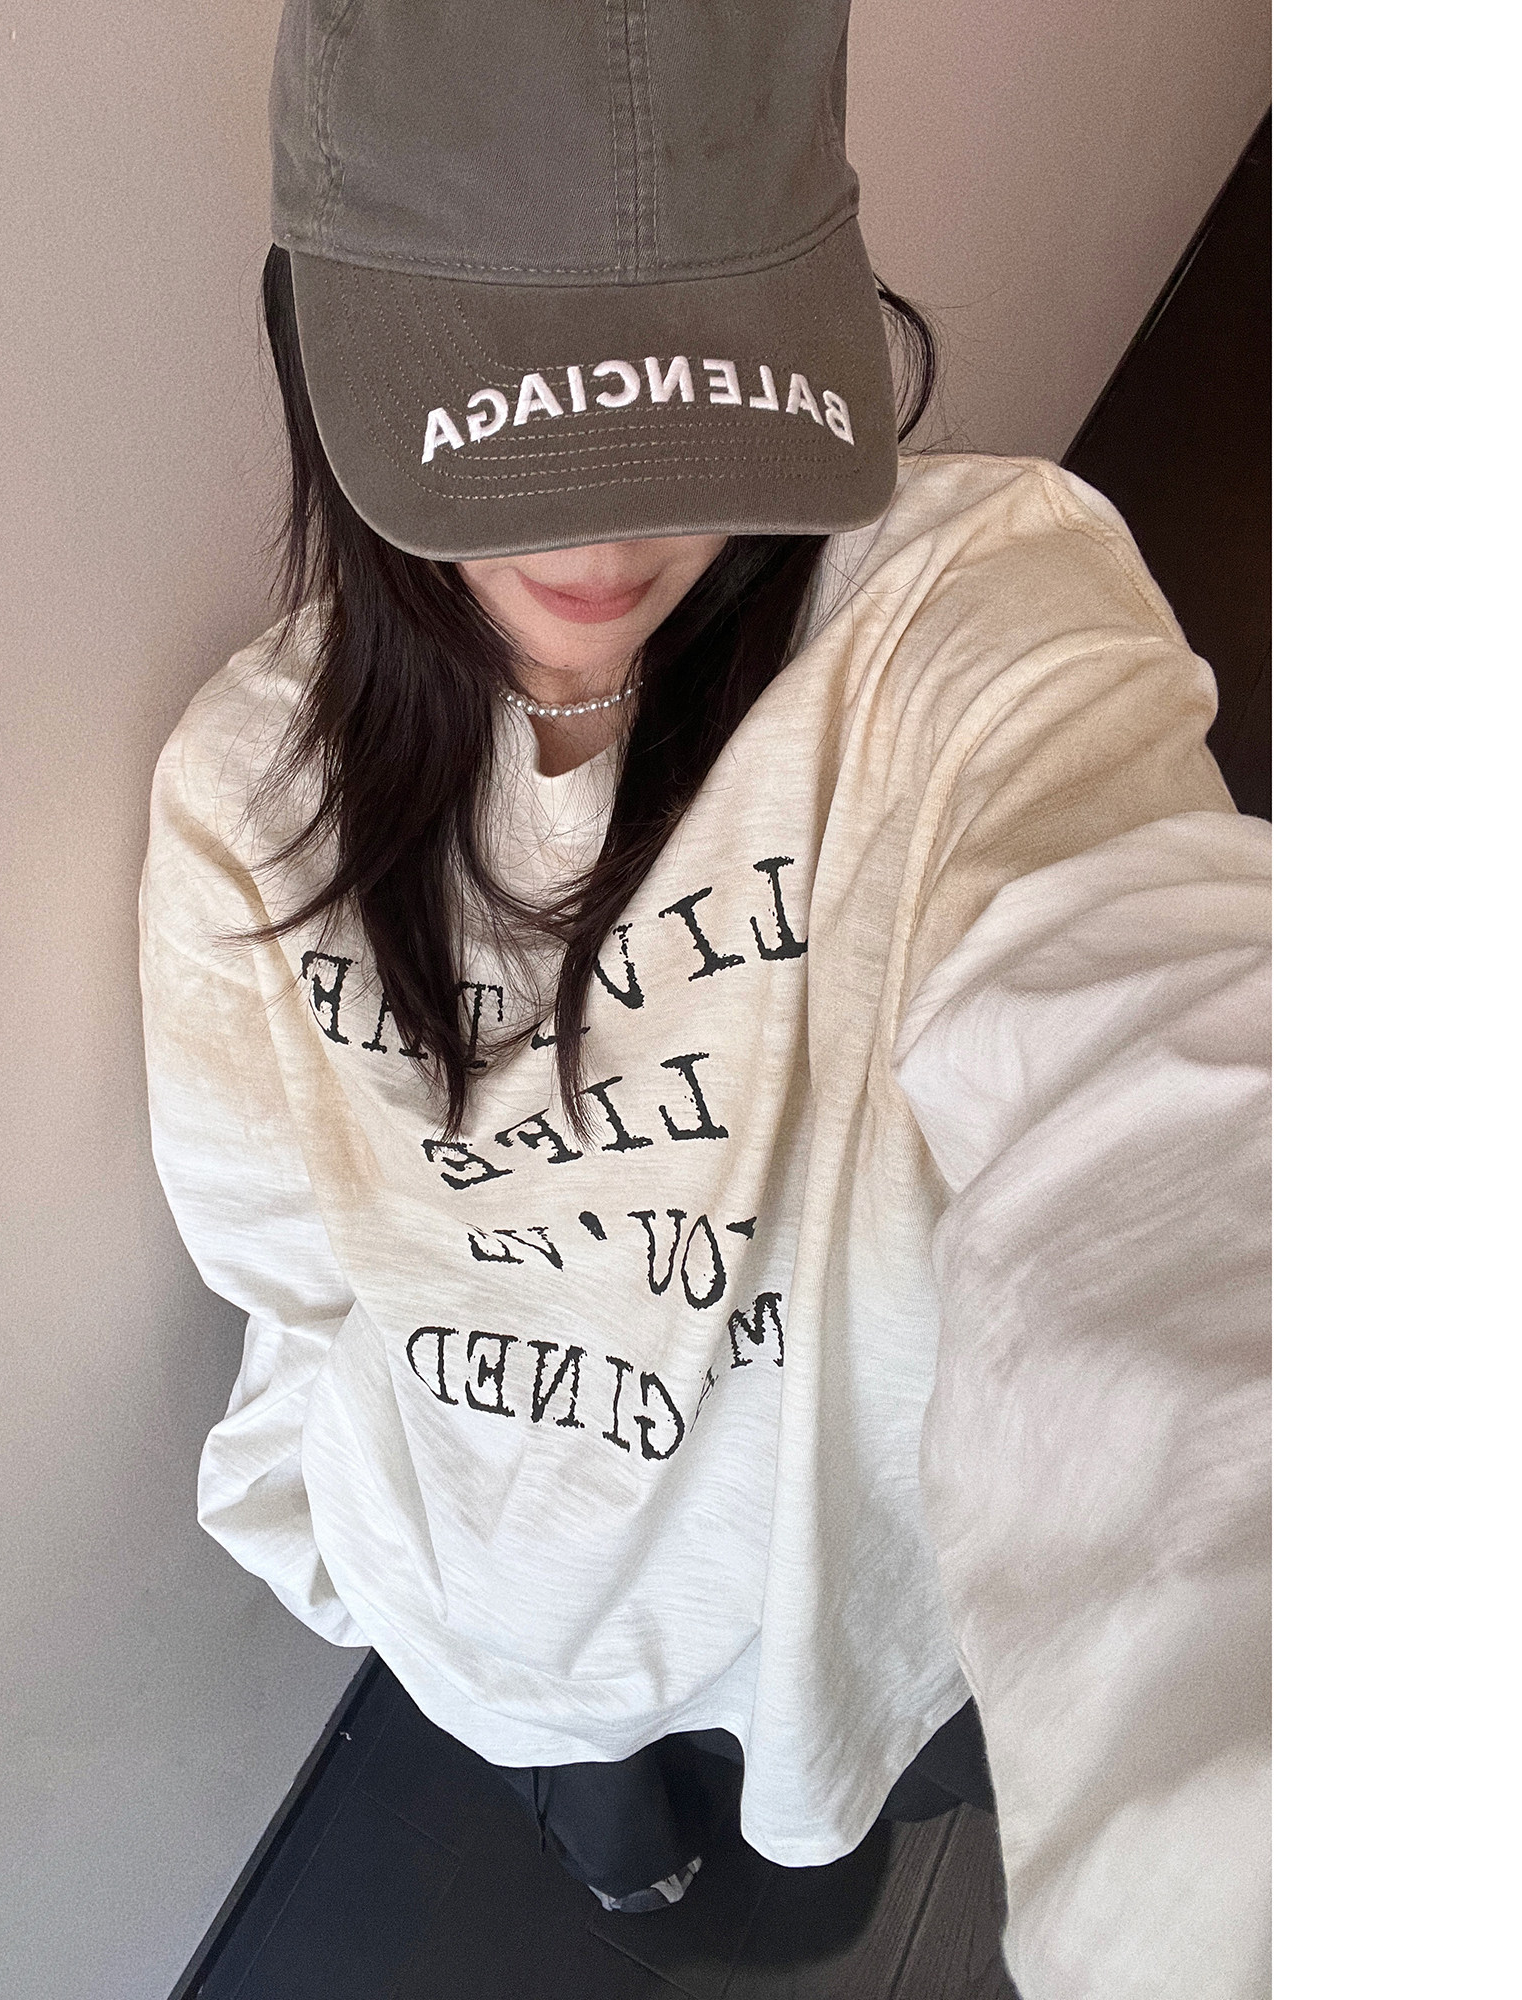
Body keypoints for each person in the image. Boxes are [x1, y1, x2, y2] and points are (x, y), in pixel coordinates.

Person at [141, 3, 1270, 1991]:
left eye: (687, 417)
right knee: (625, 1866)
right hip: (499, 1634)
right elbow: (281, 1266)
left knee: (831, 1870)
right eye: (508, 419)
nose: (604, 538)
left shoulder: (959, 617)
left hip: (840, 1616)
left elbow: (1152, 1072)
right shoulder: (249, 799)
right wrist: (375, 1567)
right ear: (323, 349)